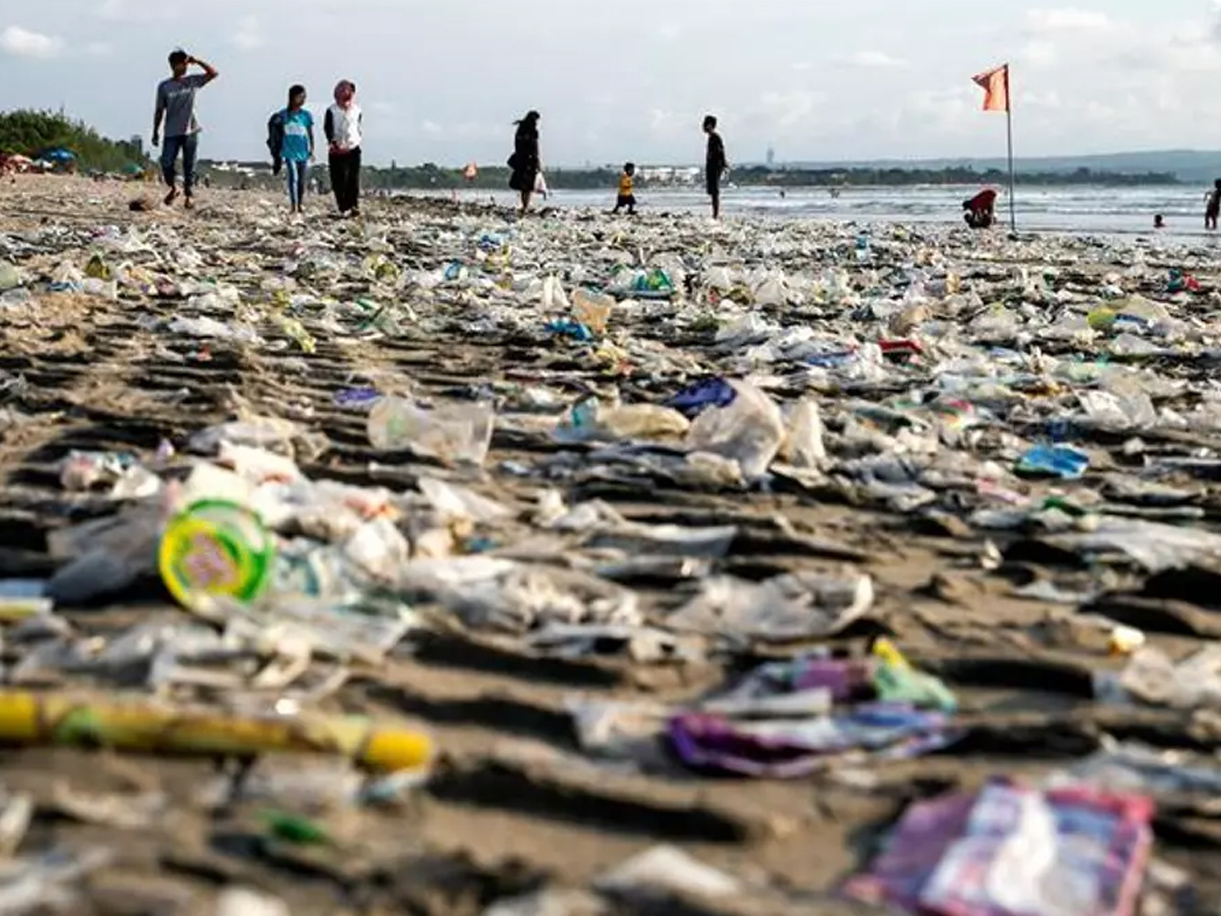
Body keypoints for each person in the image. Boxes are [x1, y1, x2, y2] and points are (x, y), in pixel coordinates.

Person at [152, 49, 218, 210]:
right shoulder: (164, 86)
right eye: (182, 64)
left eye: (186, 63)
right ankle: (174, 188)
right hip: (171, 131)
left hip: (191, 130)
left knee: (190, 165)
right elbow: (160, 110)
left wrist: (197, 61)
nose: (185, 66)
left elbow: (213, 73)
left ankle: (189, 195)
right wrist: (155, 131)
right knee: (166, 162)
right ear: (173, 65)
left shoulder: (192, 81)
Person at [324, 80, 363, 217]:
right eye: (341, 90)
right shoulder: (332, 110)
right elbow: (328, 128)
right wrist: (333, 142)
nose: (344, 92)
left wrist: (357, 140)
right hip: (337, 150)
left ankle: (353, 206)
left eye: (347, 90)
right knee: (339, 181)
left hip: (353, 148)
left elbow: (358, 126)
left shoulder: (357, 110)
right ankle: (343, 206)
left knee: (353, 179)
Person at [277, 85, 314, 215]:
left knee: (302, 181)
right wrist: (276, 151)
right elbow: (277, 133)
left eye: (304, 97)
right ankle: (293, 206)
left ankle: (300, 203)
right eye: (300, 97)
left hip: (303, 152)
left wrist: (312, 149)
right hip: (288, 151)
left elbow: (310, 133)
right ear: (293, 97)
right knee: (293, 177)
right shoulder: (283, 115)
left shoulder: (306, 115)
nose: (303, 99)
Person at [508, 111, 541, 215]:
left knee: (524, 186)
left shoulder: (520, 130)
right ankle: (525, 206)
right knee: (528, 186)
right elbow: (534, 148)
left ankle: (525, 205)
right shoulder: (532, 131)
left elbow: (517, 145)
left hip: (520, 160)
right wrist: (537, 161)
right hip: (529, 161)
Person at [703, 115, 727, 219]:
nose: (703, 126)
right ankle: (715, 214)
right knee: (713, 191)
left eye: (705, 124)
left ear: (709, 125)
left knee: (714, 191)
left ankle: (715, 215)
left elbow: (720, 151)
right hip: (713, 166)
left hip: (715, 166)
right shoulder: (712, 137)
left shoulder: (715, 137)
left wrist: (723, 163)